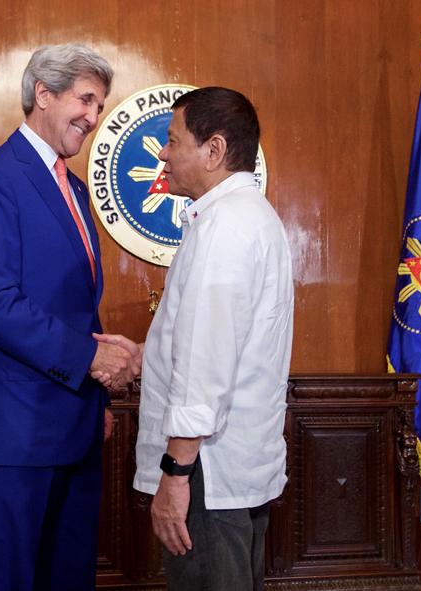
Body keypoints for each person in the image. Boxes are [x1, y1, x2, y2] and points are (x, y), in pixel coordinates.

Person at [0, 44, 140, 591]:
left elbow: (75, 304)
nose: (93, 115)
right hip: (20, 429)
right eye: (86, 99)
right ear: (43, 93)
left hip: (78, 422)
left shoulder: (77, 189)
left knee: (70, 574)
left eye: (100, 104)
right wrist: (92, 359)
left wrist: (99, 399)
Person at [130, 87, 294, 591]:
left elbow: (206, 366)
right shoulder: (248, 217)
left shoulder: (225, 228)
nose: (163, 152)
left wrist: (175, 477)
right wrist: (146, 355)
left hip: (205, 477)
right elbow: (220, 343)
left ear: (214, 150)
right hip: (229, 475)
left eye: (173, 140)